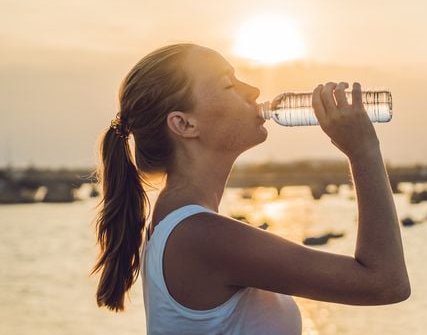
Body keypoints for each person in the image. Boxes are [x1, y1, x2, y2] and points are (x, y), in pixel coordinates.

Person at [91, 43, 410, 335]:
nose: (253, 90)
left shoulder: (179, 224)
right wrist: (364, 150)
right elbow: (384, 283)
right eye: (229, 84)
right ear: (185, 124)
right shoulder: (199, 236)